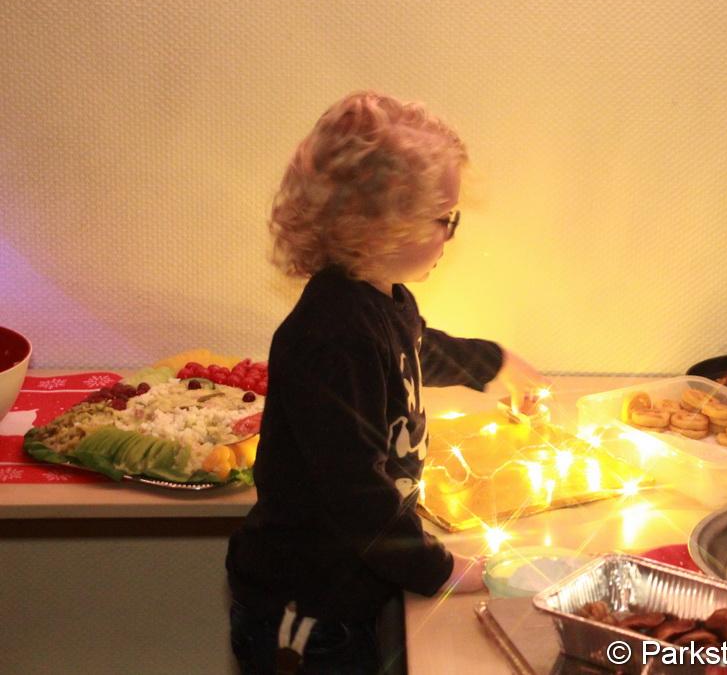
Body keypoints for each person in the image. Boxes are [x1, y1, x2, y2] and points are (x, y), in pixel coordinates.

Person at [225, 91, 548, 674]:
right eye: (444, 219)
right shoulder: (331, 334)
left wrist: (492, 363)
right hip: (307, 609)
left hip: (359, 586)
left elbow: (416, 349)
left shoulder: (382, 301)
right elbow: (357, 495)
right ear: (376, 225)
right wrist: (440, 569)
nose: (450, 234)